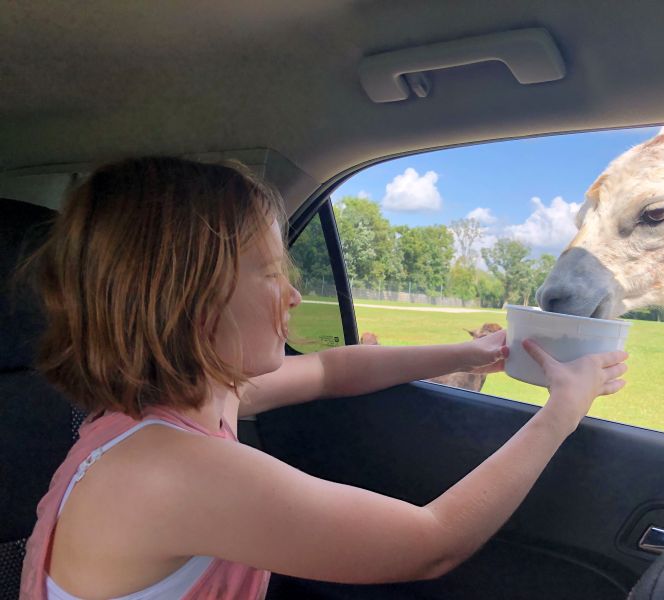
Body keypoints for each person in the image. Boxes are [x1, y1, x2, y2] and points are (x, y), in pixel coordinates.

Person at [19, 157, 628, 599]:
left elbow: (331, 369)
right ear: (186, 299)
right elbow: (431, 544)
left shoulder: (196, 399)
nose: (293, 294)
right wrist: (561, 413)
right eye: (269, 273)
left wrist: (470, 353)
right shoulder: (167, 472)